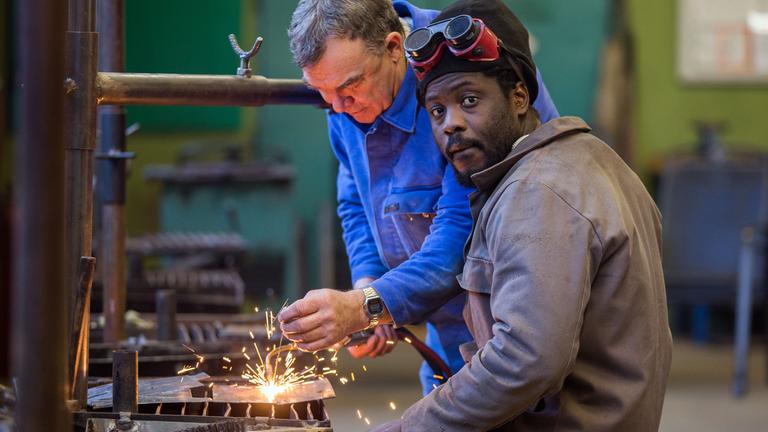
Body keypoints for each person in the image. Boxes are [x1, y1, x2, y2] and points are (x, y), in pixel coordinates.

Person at [362, 0, 673, 430]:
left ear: (520, 97)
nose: (451, 124)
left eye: (469, 100)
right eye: (437, 111)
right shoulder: (590, 160)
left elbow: (526, 361)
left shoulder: (536, 192)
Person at [280, 0, 559, 394]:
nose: (337, 108)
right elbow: (357, 201)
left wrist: (365, 306)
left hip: (512, 325)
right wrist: (371, 284)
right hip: (445, 331)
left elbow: (460, 237)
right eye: (323, 93)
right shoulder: (344, 100)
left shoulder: (460, 74)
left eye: (348, 88)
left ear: (395, 47)